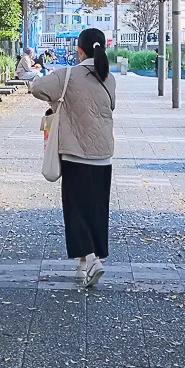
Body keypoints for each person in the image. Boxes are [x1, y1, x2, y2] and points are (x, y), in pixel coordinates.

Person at [32, 27, 116, 288]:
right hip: (104, 155)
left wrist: (57, 101)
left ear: (79, 51)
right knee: (97, 210)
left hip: (76, 154)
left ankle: (91, 260)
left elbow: (37, 87)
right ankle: (83, 265)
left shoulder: (67, 75)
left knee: (76, 210)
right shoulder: (109, 78)